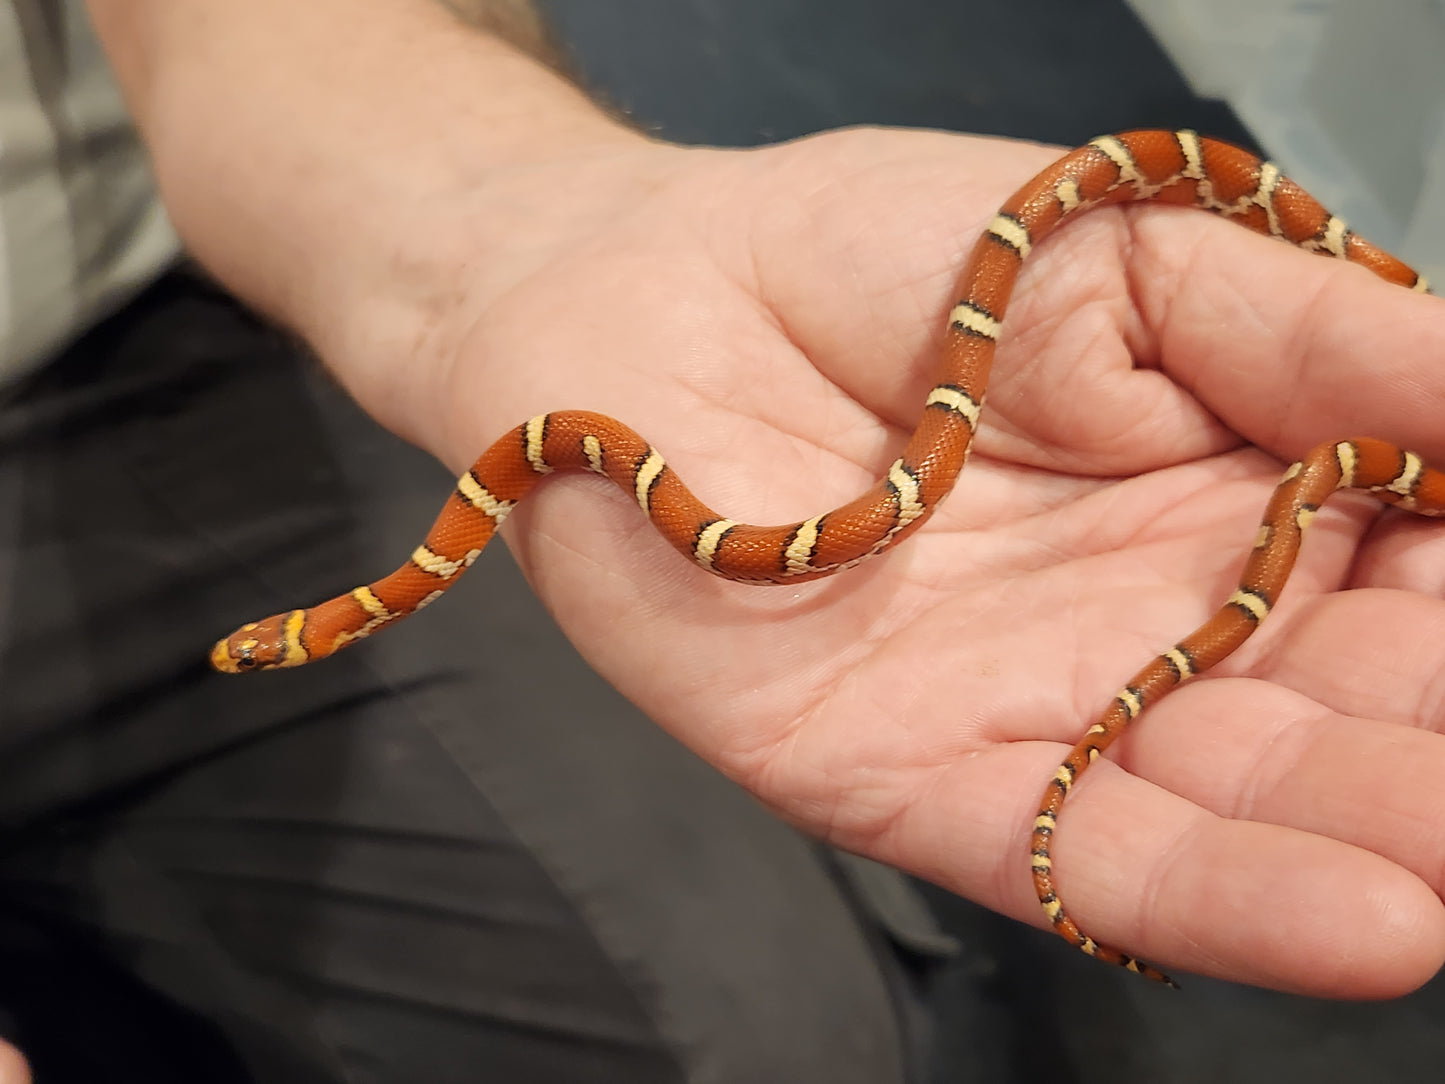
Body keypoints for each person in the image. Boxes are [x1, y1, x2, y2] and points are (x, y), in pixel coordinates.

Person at [4, 0, 1445, 1080]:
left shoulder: (514, 464)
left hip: (147, 334)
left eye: (281, 641)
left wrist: (515, 222)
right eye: (279, 645)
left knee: (752, 1043)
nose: (275, 645)